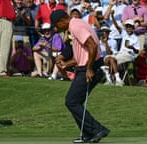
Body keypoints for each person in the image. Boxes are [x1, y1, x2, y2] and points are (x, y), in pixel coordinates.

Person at [50, 9, 109, 143]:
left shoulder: (75, 26)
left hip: (90, 68)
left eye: (56, 25)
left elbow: (93, 46)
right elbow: (82, 54)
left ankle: (97, 130)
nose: (56, 28)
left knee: (71, 101)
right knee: (75, 101)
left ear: (61, 21)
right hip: (86, 66)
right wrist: (66, 64)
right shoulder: (76, 25)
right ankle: (89, 134)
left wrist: (89, 69)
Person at [0, 0, 16, 77]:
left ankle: (6, 70)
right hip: (4, 21)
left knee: (8, 48)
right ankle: (2, 71)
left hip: (9, 22)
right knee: (4, 47)